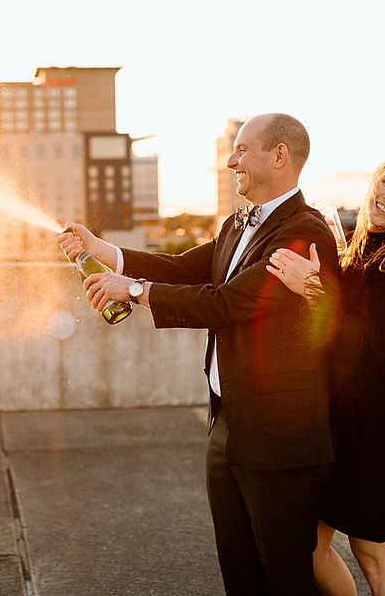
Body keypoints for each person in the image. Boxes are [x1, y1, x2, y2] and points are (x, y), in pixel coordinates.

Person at [58, 113, 341, 595]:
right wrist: (102, 249)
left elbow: (229, 304)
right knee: (239, 571)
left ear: (279, 156)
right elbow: (186, 268)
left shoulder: (305, 232)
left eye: (243, 150)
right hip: (229, 425)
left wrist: (135, 291)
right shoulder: (237, 224)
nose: (231, 161)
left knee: (286, 578)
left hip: (279, 438)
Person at [266, 149, 385, 596]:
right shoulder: (361, 245)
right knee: (309, 549)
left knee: (377, 561)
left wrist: (309, 286)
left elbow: (358, 343)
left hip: (379, 432)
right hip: (337, 424)